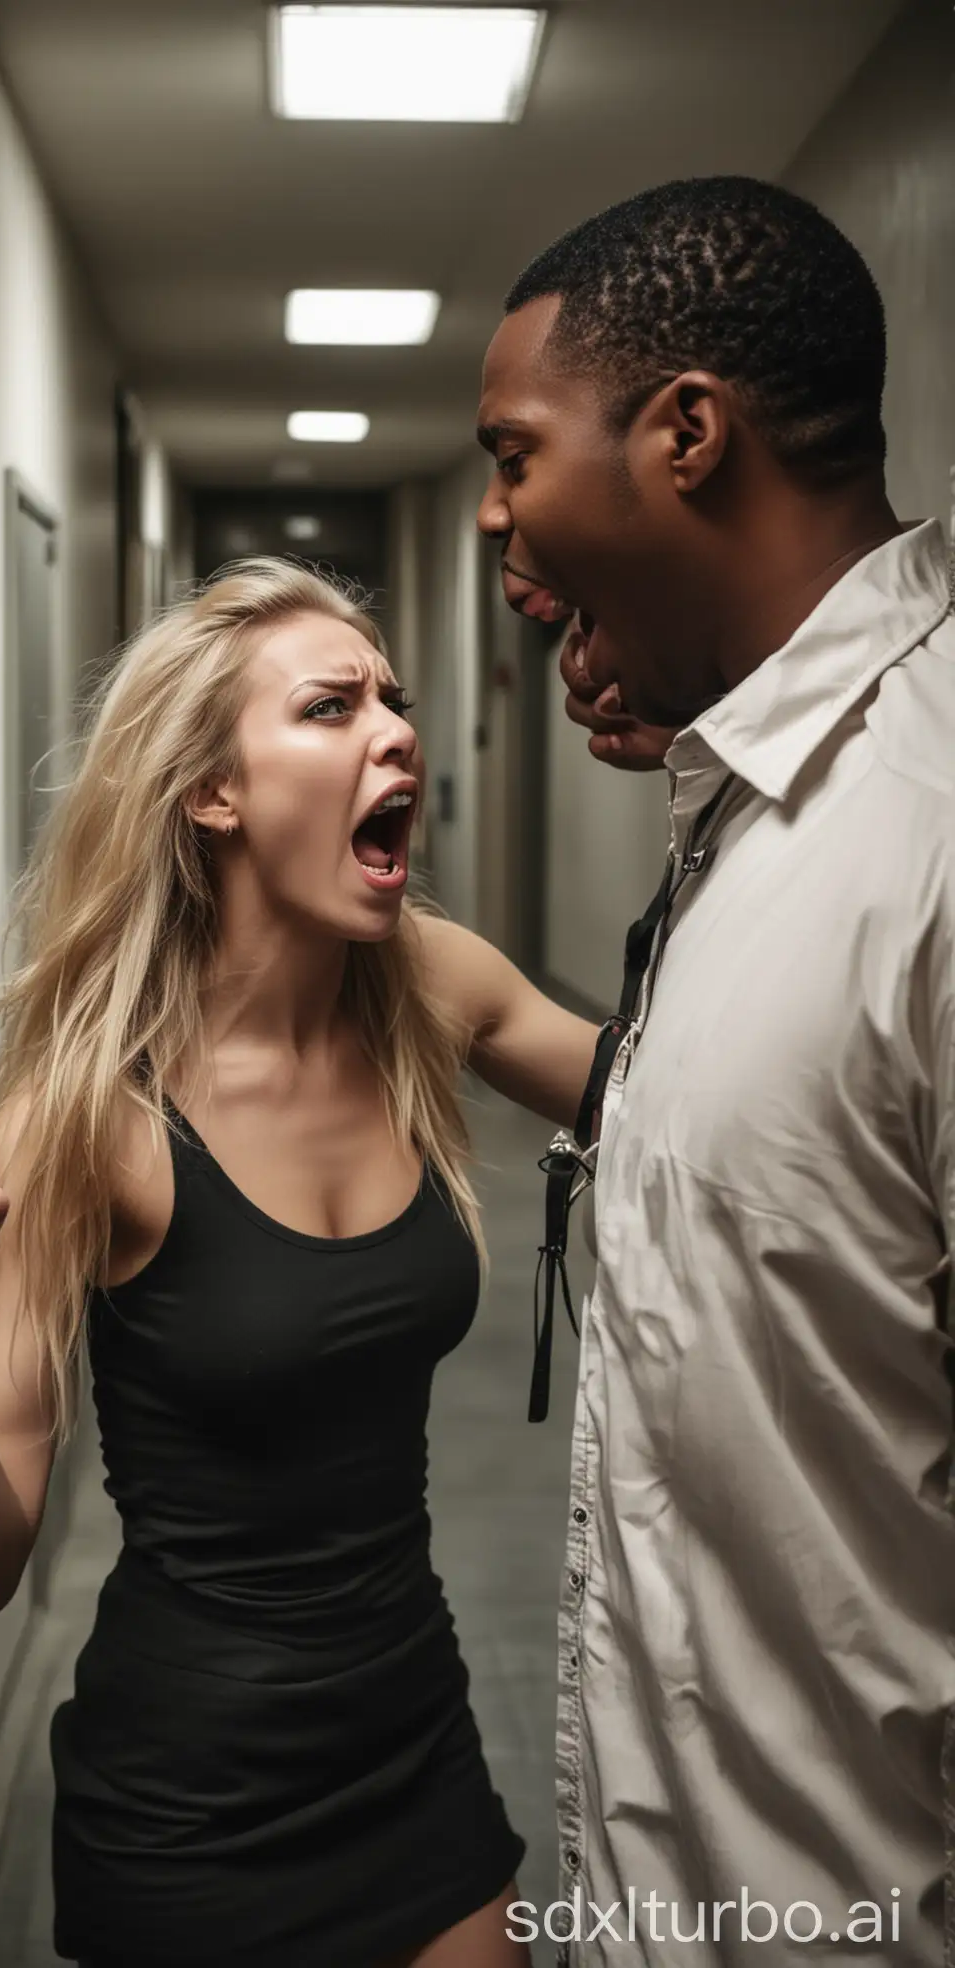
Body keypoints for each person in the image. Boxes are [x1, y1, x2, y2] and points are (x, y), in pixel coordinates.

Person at [0, 560, 603, 1968]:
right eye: (331, 707)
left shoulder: (429, 987)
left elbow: (691, 1099)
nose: (394, 729)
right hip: (190, 1809)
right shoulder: (93, 1117)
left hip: (416, 1738)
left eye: (395, 697)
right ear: (214, 793)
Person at [477, 175, 955, 1964]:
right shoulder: (749, 811)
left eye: (516, 451)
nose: (495, 512)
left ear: (687, 434)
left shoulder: (925, 831)